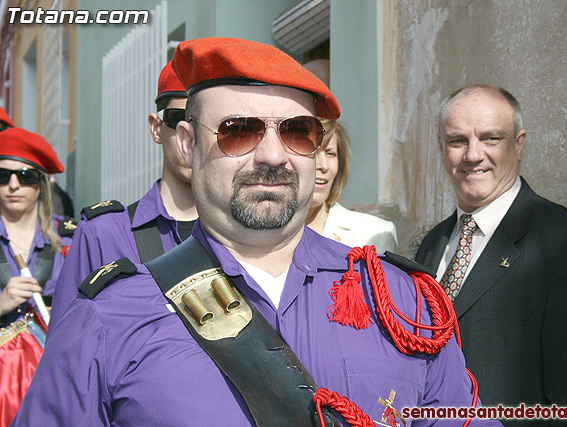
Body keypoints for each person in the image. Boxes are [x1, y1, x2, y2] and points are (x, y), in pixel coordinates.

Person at [12, 38, 499, 427]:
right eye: (238, 130)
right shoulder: (110, 319)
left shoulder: (400, 304)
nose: (272, 155)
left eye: (297, 131)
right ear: (187, 143)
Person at [414, 85, 567, 424]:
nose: (473, 155)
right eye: (457, 141)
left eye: (491, 138)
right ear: (440, 146)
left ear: (519, 143)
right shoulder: (433, 243)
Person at [47, 62, 195, 331]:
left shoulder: (244, 236)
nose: (190, 136)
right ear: (156, 127)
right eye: (179, 119)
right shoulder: (102, 234)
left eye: (204, 122)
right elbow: (65, 347)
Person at [0, 127, 71, 326]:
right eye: (3, 176)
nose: (13, 185)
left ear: (41, 184)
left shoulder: (71, 237)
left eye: (25, 176)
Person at [305, 119, 398, 252]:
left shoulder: (375, 234)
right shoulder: (266, 234)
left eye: (330, 153)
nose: (324, 165)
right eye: (313, 151)